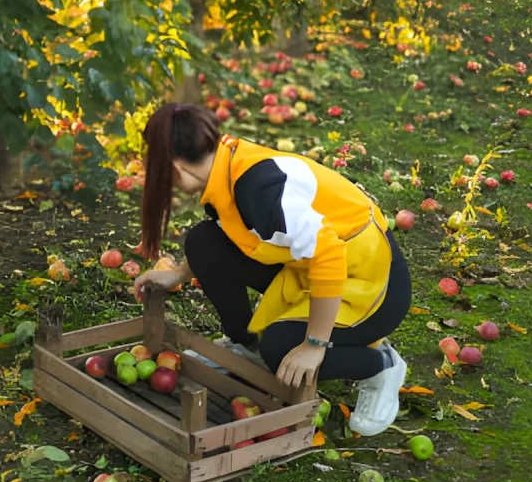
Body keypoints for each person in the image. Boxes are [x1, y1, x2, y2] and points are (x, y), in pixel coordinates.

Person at [130, 103, 412, 436]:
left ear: (175, 168)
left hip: (372, 287)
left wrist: (315, 344)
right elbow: (230, 230)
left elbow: (329, 256)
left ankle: (380, 366)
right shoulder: (224, 165)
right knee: (203, 242)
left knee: (281, 352)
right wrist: (179, 274)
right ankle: (243, 346)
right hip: (308, 270)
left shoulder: (259, 190)